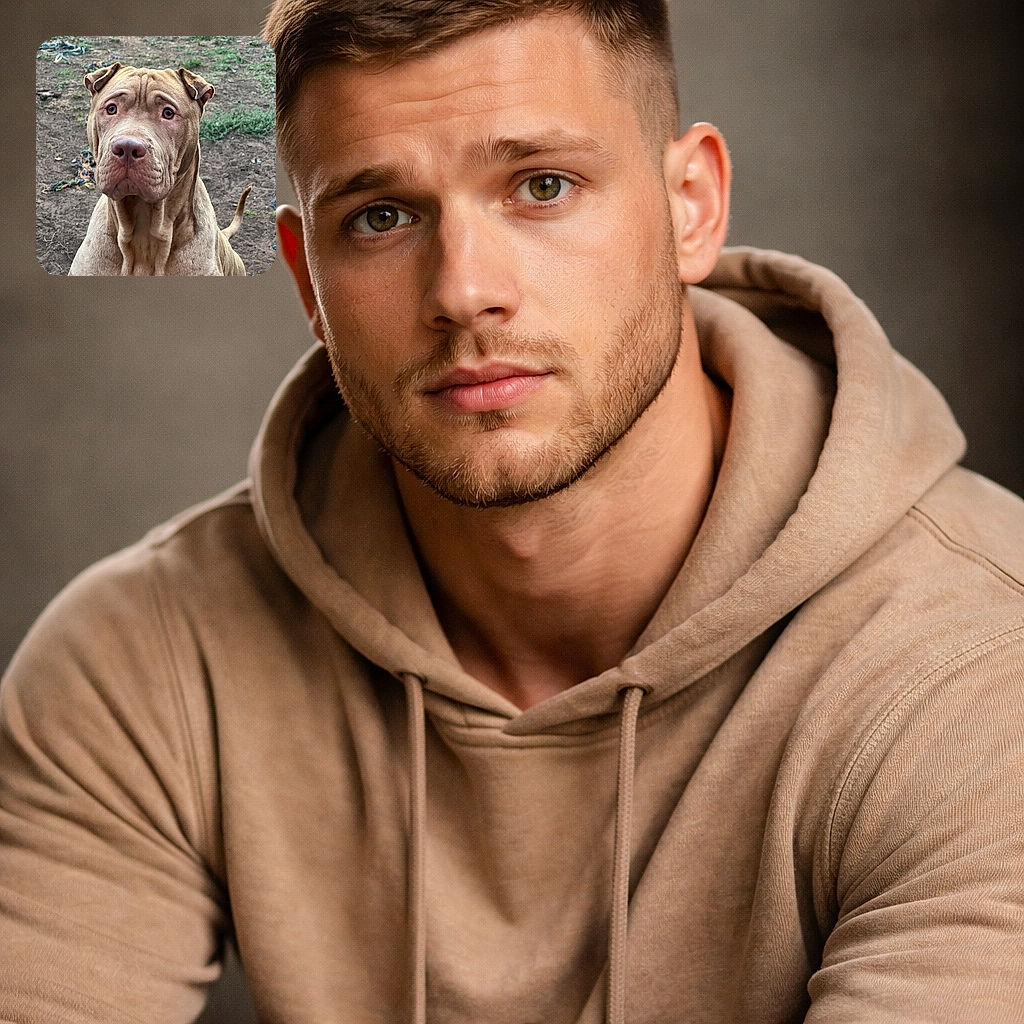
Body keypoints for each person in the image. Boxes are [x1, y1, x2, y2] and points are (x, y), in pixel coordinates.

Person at [2, 0, 1022, 1020]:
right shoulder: (147, 662)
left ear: (691, 207)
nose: (464, 290)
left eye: (542, 186)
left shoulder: (979, 660)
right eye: (381, 215)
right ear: (309, 279)